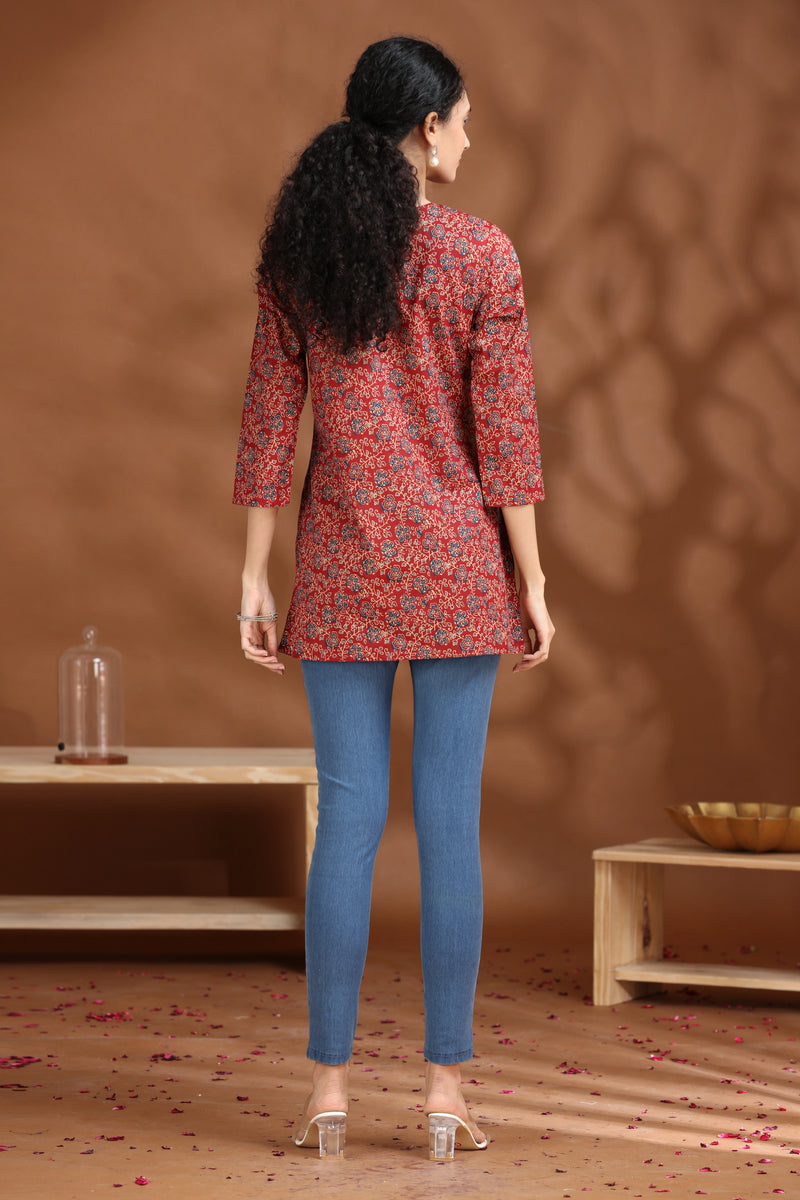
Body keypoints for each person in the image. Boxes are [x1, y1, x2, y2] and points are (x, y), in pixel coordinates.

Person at [233, 35, 554, 1159]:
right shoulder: (480, 254)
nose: (469, 136)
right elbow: (506, 435)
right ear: (426, 126)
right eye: (462, 118)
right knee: (450, 827)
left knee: (347, 826)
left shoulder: (302, 256)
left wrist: (253, 572)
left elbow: (269, 422)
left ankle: (325, 1089)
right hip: (459, 571)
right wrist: (532, 578)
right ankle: (445, 1092)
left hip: (339, 567)